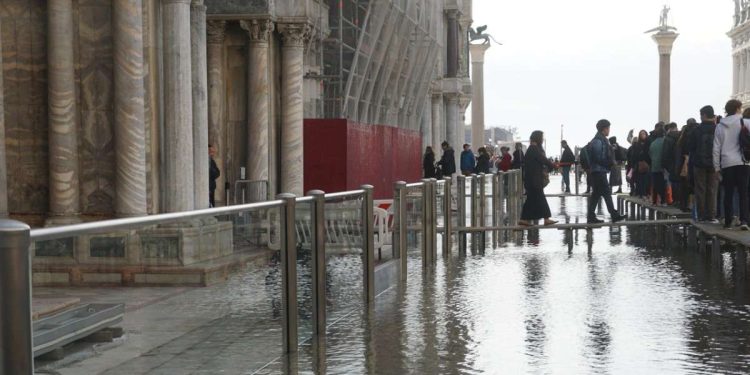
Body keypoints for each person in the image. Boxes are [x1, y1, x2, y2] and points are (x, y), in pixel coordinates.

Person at [713, 99, 750, 230]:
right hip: (743, 161)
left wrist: (717, 167)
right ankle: (744, 220)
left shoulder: (720, 126)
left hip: (727, 163)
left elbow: (716, 148)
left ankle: (728, 221)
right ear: (738, 108)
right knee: (743, 192)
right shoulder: (745, 122)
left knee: (728, 193)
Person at [587, 120, 626, 224]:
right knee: (606, 193)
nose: (609, 130)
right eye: (608, 128)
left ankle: (591, 216)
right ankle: (614, 215)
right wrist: (608, 163)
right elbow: (597, 157)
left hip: (599, 170)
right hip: (599, 171)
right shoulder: (598, 141)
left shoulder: (601, 140)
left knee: (596, 194)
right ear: (604, 129)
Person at [519, 131, 557, 226]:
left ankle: (524, 219)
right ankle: (546, 219)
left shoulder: (532, 148)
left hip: (531, 179)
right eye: (542, 137)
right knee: (540, 198)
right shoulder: (533, 149)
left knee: (531, 200)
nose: (543, 140)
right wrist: (553, 166)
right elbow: (543, 159)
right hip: (534, 180)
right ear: (538, 138)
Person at [689, 106, 719, 223]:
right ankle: (711, 216)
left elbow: (691, 147)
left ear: (704, 115)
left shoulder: (696, 130)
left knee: (700, 189)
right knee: (712, 189)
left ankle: (701, 216)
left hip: (699, 163)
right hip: (714, 163)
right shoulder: (718, 129)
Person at [676, 118, 698, 212]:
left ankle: (684, 205)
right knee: (694, 186)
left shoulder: (682, 136)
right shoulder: (696, 133)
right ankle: (693, 206)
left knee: (684, 186)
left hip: (683, 164)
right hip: (693, 162)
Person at [627, 130, 651, 199]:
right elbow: (633, 156)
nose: (643, 135)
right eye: (641, 134)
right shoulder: (636, 145)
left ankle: (644, 193)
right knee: (639, 179)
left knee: (646, 180)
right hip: (638, 164)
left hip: (646, 164)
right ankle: (640, 193)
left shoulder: (648, 143)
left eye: (644, 134)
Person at [661, 122, 681, 205]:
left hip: (671, 164)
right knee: (680, 182)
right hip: (681, 162)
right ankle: (681, 201)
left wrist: (665, 165)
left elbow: (665, 153)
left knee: (673, 182)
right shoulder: (681, 136)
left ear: (669, 129)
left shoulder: (667, 138)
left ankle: (675, 200)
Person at [649, 129, 667, 206]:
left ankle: (654, 201)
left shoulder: (653, 143)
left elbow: (650, 154)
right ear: (664, 134)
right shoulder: (665, 142)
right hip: (663, 166)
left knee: (655, 184)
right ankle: (663, 201)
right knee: (663, 184)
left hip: (654, 166)